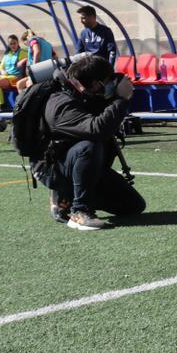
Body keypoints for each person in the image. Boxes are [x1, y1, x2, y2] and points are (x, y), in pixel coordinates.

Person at [32, 55, 146, 230]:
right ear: (95, 84)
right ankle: (79, 211)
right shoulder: (60, 104)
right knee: (89, 145)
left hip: (84, 165)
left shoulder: (86, 94)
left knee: (133, 206)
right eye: (108, 80)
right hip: (54, 167)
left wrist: (116, 92)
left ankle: (71, 196)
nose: (112, 84)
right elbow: (96, 129)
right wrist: (121, 100)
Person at [0, 34, 29, 131]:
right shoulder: (7, 54)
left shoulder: (22, 52)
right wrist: (2, 71)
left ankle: (2, 105)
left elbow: (30, 57)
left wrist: (23, 61)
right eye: (11, 44)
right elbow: (1, 67)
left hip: (15, 78)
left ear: (17, 43)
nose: (13, 45)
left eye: (14, 43)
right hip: (5, 76)